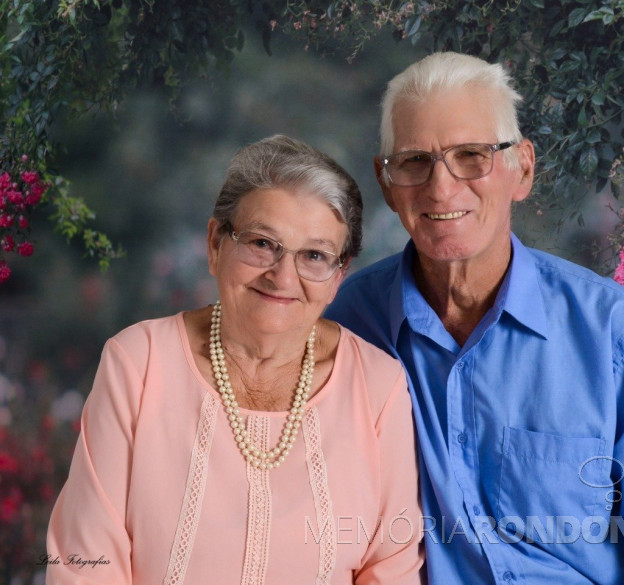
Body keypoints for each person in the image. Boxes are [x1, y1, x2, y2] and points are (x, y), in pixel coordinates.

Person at [325, 52, 624, 583]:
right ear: (386, 184)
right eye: (414, 161)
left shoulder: (617, 336)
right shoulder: (342, 328)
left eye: (472, 155)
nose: (440, 187)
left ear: (521, 168)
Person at [46, 135, 424, 584]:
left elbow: (391, 569)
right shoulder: (138, 363)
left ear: (339, 275)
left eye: (315, 256)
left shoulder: (378, 386)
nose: (283, 276)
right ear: (214, 244)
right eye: (262, 243)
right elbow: (85, 566)